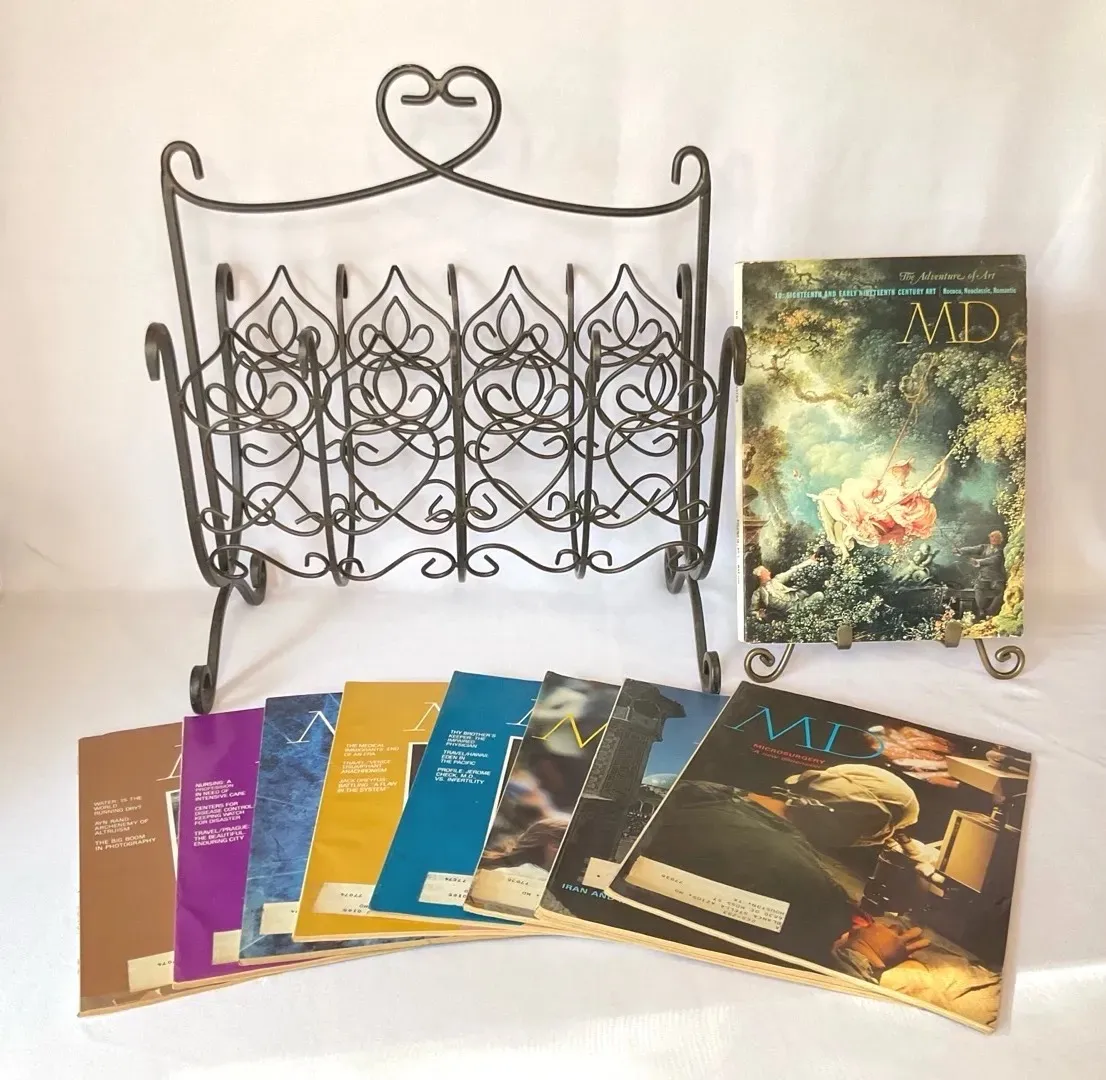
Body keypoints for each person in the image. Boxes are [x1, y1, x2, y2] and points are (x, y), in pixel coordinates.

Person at [634, 765, 930, 982]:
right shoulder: (798, 879)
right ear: (862, 821)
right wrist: (862, 955)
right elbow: (806, 984)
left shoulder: (704, 791)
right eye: (883, 831)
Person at [749, 558, 824, 621]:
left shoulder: (776, 580)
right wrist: (758, 614)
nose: (769, 572)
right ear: (760, 576)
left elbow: (792, 571)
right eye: (766, 571)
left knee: (818, 594)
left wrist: (810, 561)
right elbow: (752, 611)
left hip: (799, 599)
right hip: (790, 611)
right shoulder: (758, 593)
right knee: (819, 595)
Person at [956, 530, 1006, 617]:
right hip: (984, 577)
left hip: (996, 578)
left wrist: (979, 562)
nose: (994, 539)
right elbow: (972, 549)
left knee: (1000, 592)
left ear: (1000, 540)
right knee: (978, 588)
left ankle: (990, 612)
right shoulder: (984, 547)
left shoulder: (1001, 551)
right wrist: (961, 551)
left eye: (997, 537)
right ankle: (981, 610)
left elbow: (994, 560)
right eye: (992, 537)